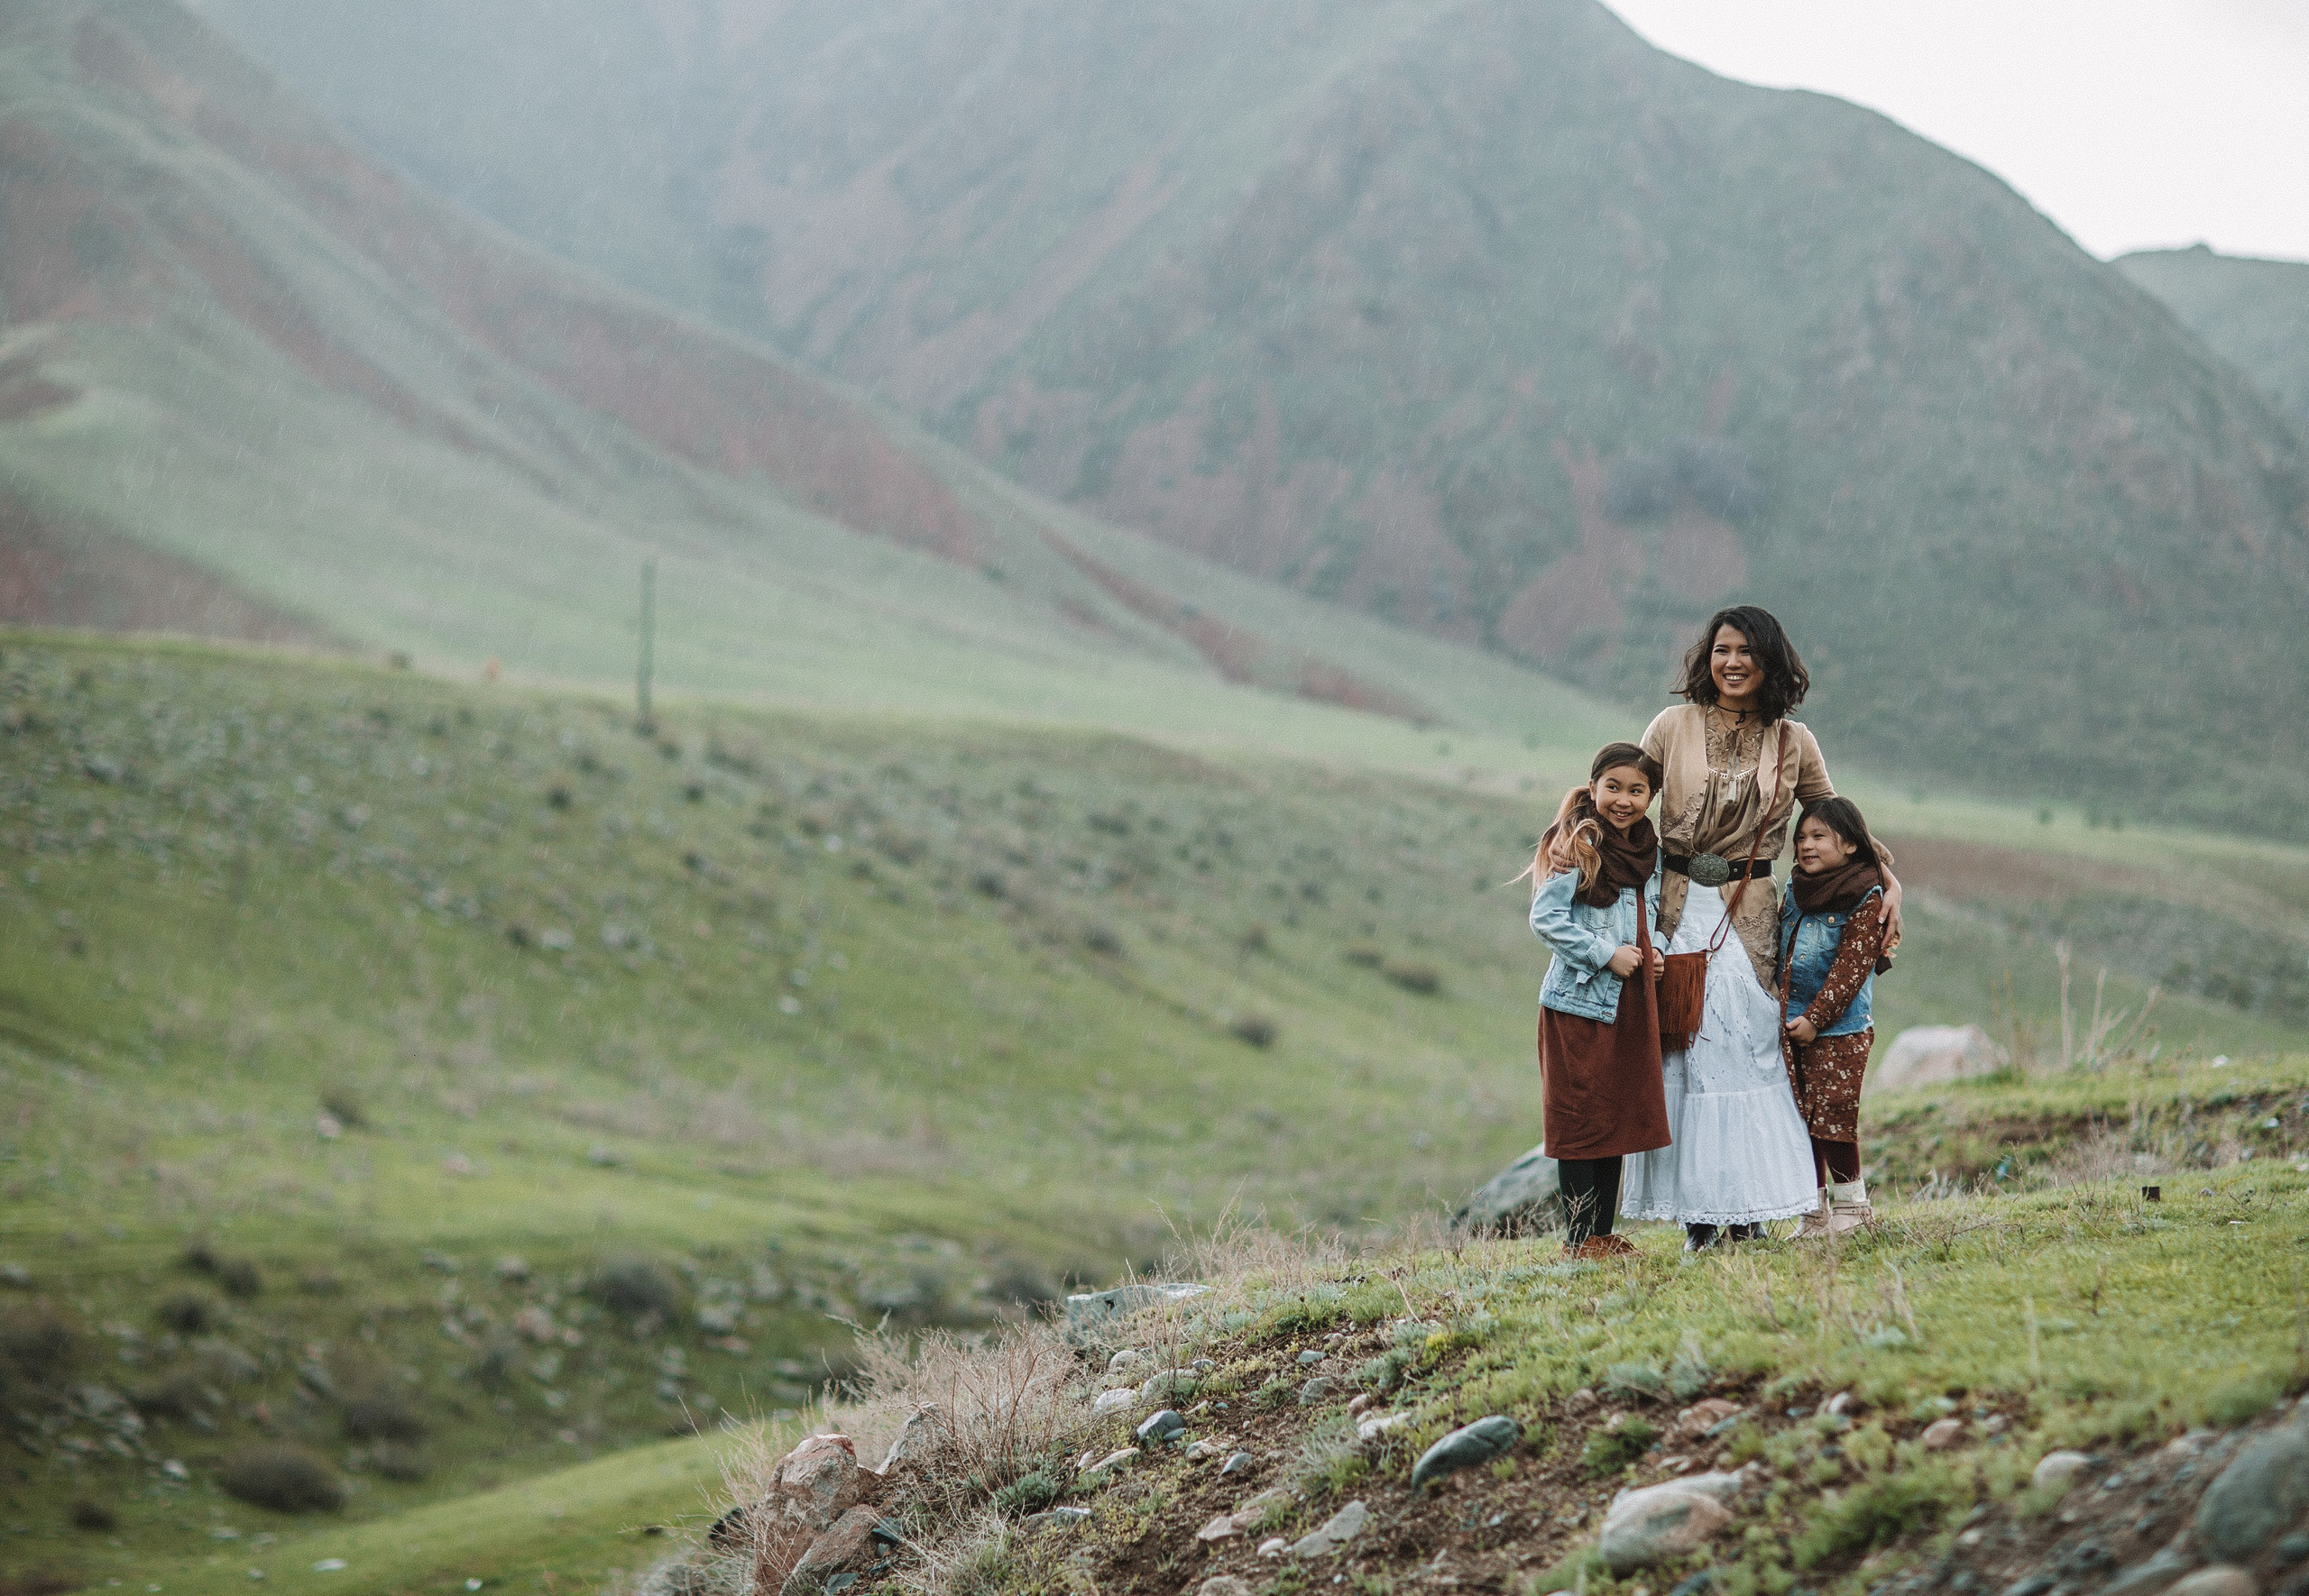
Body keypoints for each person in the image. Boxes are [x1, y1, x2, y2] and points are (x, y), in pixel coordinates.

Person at [1619, 605, 1904, 1251]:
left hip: (1752, 916)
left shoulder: (1793, 741)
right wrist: (1576, 844)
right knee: (1689, 1056)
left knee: (1747, 1053)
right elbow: (1628, 800)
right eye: (1722, 649)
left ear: (1770, 659)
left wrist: (1891, 882)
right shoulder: (1671, 726)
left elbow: (1837, 821)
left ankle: (1746, 1215)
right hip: (1678, 905)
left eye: (1747, 650)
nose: (1733, 661)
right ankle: (1702, 1223)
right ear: (1707, 658)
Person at [1523, 742, 1671, 1259]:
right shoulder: (1578, 844)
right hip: (1579, 1005)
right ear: (1593, 788)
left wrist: (1657, 955)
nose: (1624, 800)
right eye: (1613, 787)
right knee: (1580, 1120)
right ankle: (1579, 1239)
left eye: (1637, 790)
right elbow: (1546, 919)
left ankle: (1600, 1237)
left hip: (1630, 1004)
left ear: (1652, 796)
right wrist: (1605, 953)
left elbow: (1650, 920)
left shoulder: (1650, 854)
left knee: (1613, 1119)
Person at [1778, 797, 1892, 1236]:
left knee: (1833, 1117)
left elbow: (1851, 968)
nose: (1807, 845)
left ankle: (1853, 1209)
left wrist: (1816, 1019)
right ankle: (1812, 1212)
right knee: (1799, 1117)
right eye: (1801, 837)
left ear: (1849, 846)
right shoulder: (1795, 887)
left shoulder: (1866, 895)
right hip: (1791, 1022)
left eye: (1819, 836)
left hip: (1839, 1029)